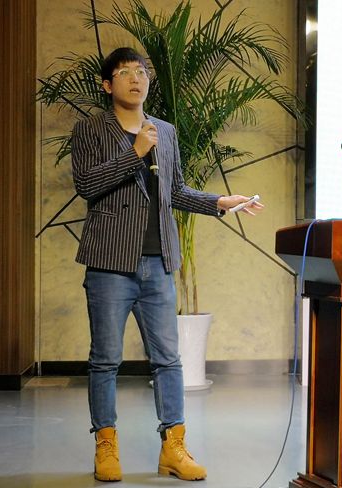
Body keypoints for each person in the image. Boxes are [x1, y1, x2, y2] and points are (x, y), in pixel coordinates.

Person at [70, 47, 262, 482]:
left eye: (141, 72)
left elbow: (174, 191)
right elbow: (86, 184)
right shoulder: (91, 129)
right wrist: (134, 152)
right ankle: (106, 446)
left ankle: (173, 448)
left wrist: (219, 201)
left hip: (158, 263)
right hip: (110, 263)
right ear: (107, 85)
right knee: (105, 360)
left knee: (168, 360)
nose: (136, 79)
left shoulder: (165, 131)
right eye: (125, 73)